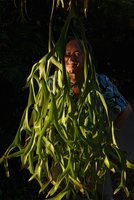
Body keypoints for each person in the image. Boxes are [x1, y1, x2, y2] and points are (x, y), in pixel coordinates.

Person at [48, 39, 132, 200]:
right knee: (62, 192)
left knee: (103, 195)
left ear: (87, 58)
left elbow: (126, 110)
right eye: (67, 54)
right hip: (63, 152)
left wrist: (110, 136)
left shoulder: (100, 81)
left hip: (95, 152)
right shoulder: (53, 83)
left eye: (77, 54)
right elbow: (42, 113)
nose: (72, 59)